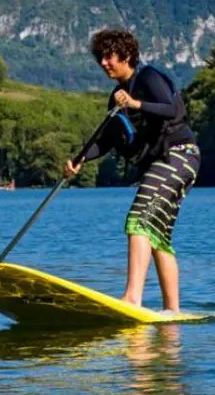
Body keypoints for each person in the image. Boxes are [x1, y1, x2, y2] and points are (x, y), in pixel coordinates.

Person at [66, 28, 199, 312]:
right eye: (99, 58)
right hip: (166, 161)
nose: (103, 63)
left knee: (138, 220)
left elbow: (169, 110)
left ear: (126, 55)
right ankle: (172, 313)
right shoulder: (116, 96)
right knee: (157, 235)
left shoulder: (148, 77)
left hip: (179, 154)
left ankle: (132, 297)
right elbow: (106, 142)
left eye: (108, 56)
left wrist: (135, 103)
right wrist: (79, 160)